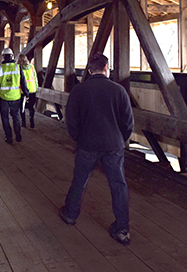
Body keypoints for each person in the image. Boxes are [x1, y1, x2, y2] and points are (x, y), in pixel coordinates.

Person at [59, 54, 134, 246]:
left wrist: (79, 138)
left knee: (80, 180)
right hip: (113, 145)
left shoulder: (79, 90)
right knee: (118, 185)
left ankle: (70, 214)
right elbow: (128, 122)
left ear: (90, 71)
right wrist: (119, 140)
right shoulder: (118, 90)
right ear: (107, 68)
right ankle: (122, 229)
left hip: (87, 144)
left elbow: (72, 120)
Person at [0, 47, 28, 144]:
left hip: (4, 98)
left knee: (5, 118)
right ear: (12, 56)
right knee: (16, 116)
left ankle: (9, 137)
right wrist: (26, 93)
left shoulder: (0, 69)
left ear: (3, 57)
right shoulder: (18, 68)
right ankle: (18, 135)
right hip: (16, 97)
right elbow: (23, 82)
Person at [17, 54, 38, 128]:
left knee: (22, 107)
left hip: (23, 91)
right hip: (32, 89)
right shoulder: (32, 67)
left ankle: (23, 123)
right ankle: (32, 121)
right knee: (31, 107)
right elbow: (35, 78)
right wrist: (36, 87)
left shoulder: (19, 68)